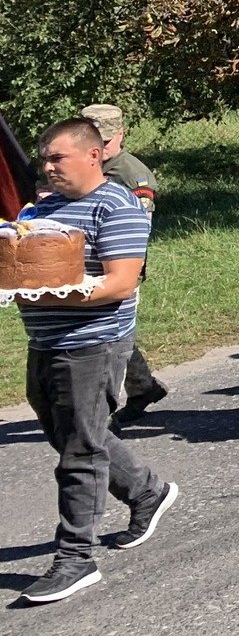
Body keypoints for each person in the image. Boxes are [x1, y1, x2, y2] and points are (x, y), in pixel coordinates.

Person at [15, 118, 178, 606]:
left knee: (80, 451)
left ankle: (75, 558)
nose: (47, 167)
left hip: (93, 344)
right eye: (44, 159)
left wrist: (48, 294)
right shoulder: (42, 209)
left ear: (92, 155)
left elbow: (121, 283)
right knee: (71, 434)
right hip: (45, 342)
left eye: (57, 158)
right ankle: (146, 491)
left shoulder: (117, 206)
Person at [81, 104, 169, 428]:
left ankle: (101, 420)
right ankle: (142, 387)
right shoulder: (80, 164)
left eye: (105, 140)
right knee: (109, 334)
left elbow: (139, 230)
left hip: (118, 267)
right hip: (83, 263)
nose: (99, 147)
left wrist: (128, 273)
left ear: (121, 134)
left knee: (108, 338)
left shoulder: (131, 174)